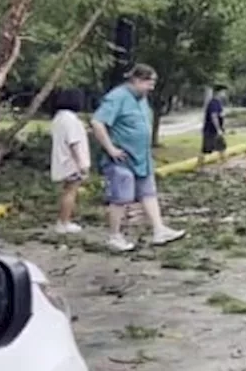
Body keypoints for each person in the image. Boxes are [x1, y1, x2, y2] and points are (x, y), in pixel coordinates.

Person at [90, 64, 187, 252]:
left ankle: (159, 230)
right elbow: (97, 122)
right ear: (136, 80)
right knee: (120, 197)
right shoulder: (117, 97)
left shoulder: (142, 99)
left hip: (142, 157)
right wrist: (110, 148)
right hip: (122, 158)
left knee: (148, 193)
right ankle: (114, 236)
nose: (152, 87)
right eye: (149, 83)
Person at [50, 89, 91, 234]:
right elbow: (74, 142)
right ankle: (64, 222)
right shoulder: (71, 120)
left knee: (66, 191)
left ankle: (62, 220)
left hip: (61, 160)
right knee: (71, 191)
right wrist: (81, 163)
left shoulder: (59, 118)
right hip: (71, 162)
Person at [201, 86, 228, 159]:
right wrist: (218, 129)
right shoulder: (213, 103)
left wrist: (222, 128)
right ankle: (199, 166)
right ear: (218, 93)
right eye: (223, 92)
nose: (225, 94)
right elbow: (214, 117)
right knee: (206, 151)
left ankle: (223, 166)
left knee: (222, 149)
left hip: (216, 131)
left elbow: (220, 117)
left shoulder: (218, 103)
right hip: (210, 131)